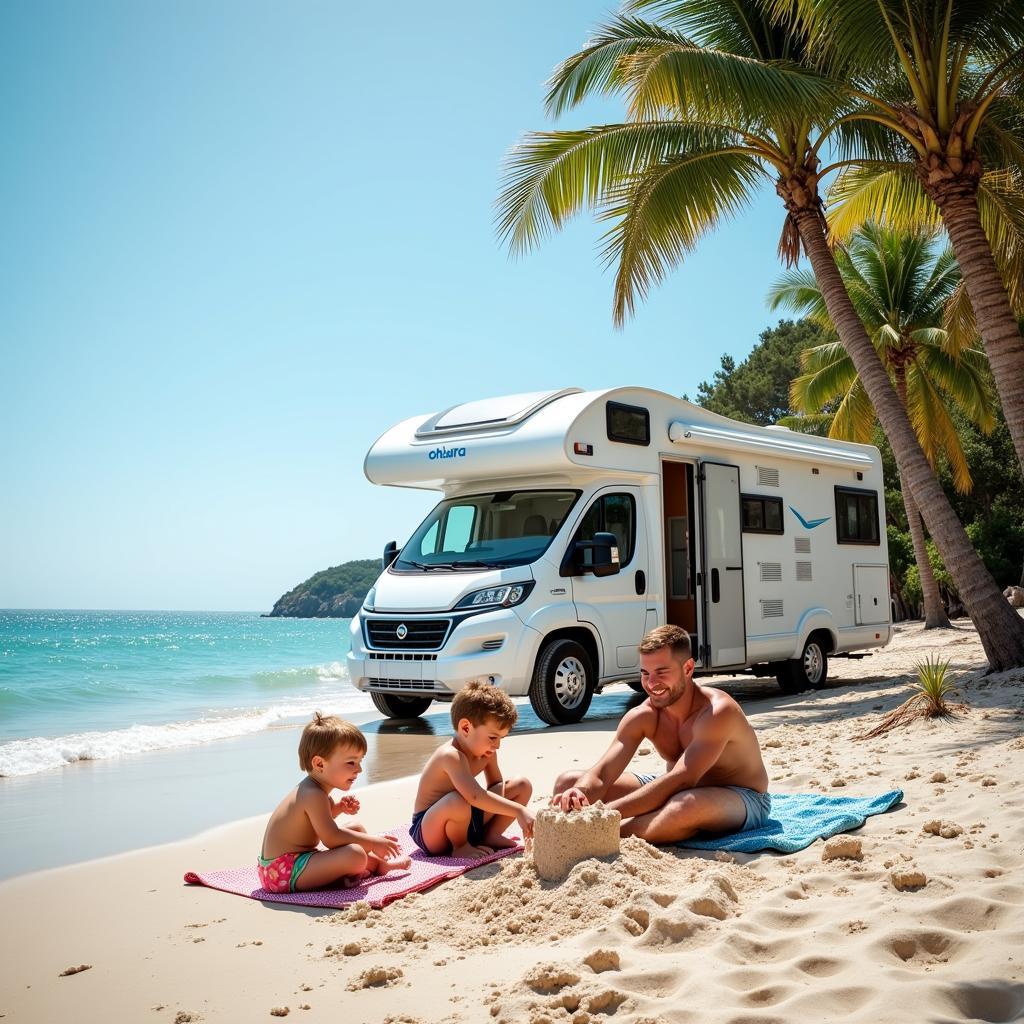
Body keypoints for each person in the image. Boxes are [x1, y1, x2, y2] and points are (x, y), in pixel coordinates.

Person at [551, 625, 770, 843]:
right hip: (675, 788)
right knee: (568, 784)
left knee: (686, 805)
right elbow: (603, 773)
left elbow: (683, 779)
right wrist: (580, 792)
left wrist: (600, 815)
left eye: (661, 672)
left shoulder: (717, 712)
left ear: (688, 668)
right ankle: (600, 830)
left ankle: (603, 833)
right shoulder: (645, 715)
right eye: (645, 673)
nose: (651, 683)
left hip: (741, 797)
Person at [259, 712, 411, 893]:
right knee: (355, 854)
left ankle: (361, 869)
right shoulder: (312, 794)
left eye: (359, 761)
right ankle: (378, 866)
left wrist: (337, 809)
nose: (359, 769)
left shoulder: (317, 791)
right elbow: (331, 838)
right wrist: (373, 842)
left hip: (291, 864)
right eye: (351, 763)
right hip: (282, 873)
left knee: (355, 828)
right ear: (320, 764)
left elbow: (314, 821)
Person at [411, 681, 535, 858]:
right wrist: (518, 810)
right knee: (457, 800)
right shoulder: (450, 755)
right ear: (466, 728)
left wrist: (510, 803)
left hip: (467, 820)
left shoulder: (487, 753)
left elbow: (497, 786)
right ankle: (460, 846)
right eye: (493, 737)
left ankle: (491, 834)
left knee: (521, 785)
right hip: (430, 831)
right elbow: (474, 796)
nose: (497, 745)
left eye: (501, 738)